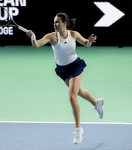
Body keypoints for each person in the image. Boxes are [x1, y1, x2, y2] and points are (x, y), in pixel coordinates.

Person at [26, 12, 104, 144]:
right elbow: (36, 45)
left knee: (72, 96)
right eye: (54, 22)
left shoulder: (73, 34)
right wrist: (33, 37)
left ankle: (78, 129)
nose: (54, 24)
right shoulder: (51, 36)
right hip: (63, 70)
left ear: (64, 23)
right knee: (78, 92)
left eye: (57, 22)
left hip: (75, 66)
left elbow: (86, 44)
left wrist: (89, 41)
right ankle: (97, 103)